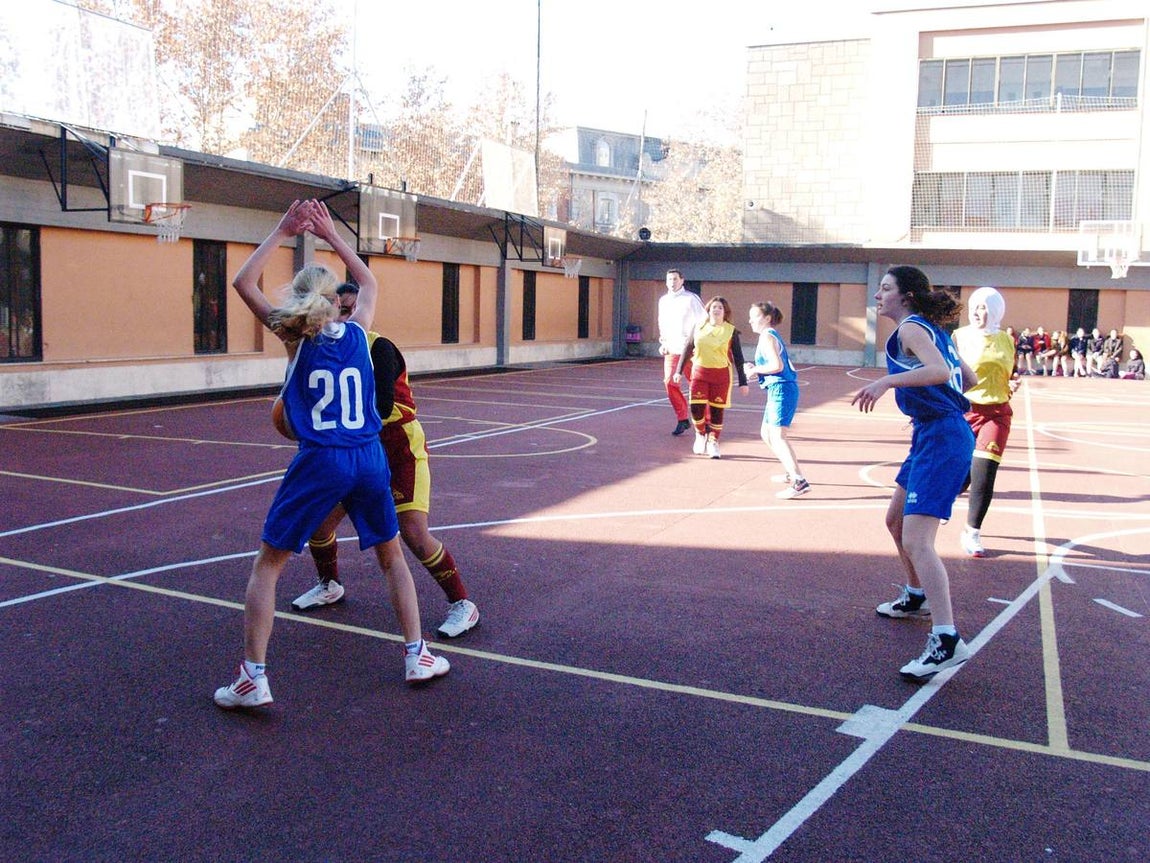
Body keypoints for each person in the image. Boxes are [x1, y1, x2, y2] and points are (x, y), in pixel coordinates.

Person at [214, 200, 449, 710]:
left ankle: (253, 677)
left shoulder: (293, 335)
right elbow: (369, 281)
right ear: (338, 301)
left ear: (299, 298)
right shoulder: (361, 332)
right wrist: (331, 234)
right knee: (391, 557)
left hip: (322, 457)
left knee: (268, 564)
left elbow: (243, 282)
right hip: (368, 456)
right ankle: (417, 654)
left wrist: (283, 230)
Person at [290, 282, 480, 639]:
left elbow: (382, 406)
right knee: (319, 524)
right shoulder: (328, 352)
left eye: (350, 310)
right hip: (357, 451)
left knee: (414, 533)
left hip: (398, 447)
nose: (343, 317)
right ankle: (330, 584)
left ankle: (462, 603)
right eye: (338, 310)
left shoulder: (379, 347)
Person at [851, 265, 976, 681]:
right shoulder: (929, 330)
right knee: (895, 521)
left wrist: (888, 382)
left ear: (905, 296)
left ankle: (947, 639)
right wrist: (940, 398)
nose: (878, 295)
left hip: (942, 437)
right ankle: (916, 595)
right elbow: (967, 377)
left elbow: (939, 372)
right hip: (933, 433)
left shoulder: (910, 329)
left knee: (918, 540)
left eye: (885, 288)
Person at [952, 287, 1018, 558]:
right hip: (965, 411)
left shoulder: (1007, 340)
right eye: (975, 307)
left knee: (985, 472)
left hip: (996, 413)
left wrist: (1011, 383)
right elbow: (950, 372)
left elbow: (1009, 373)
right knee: (961, 472)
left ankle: (972, 532)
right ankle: (948, 495)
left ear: (996, 311)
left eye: (984, 308)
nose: (978, 313)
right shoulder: (959, 336)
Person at [743, 301, 810, 499]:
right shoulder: (768, 335)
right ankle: (790, 471)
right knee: (766, 433)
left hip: (782, 389)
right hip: (777, 389)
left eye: (754, 317)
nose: (750, 321)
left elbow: (776, 365)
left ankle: (799, 481)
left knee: (778, 436)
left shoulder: (767, 336)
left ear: (766, 318)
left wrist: (755, 370)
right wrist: (756, 369)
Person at [674, 296, 748, 459]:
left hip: (720, 375)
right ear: (708, 310)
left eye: (720, 307)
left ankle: (713, 441)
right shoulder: (698, 327)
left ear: (725, 311)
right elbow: (688, 348)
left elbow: (738, 357)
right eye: (714, 307)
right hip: (700, 373)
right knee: (696, 407)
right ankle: (700, 433)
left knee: (716, 410)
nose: (716, 310)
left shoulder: (730, 331)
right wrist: (678, 371)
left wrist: (743, 381)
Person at [657, 268, 706, 436]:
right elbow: (662, 323)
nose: (672, 282)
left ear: (682, 280)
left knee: (697, 385)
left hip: (691, 351)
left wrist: (698, 344)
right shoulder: (663, 301)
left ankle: (705, 420)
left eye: (675, 279)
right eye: (669, 279)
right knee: (669, 382)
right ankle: (682, 418)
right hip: (672, 350)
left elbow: (703, 321)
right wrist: (663, 342)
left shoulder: (691, 299)